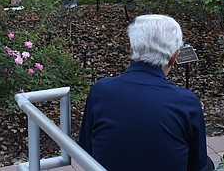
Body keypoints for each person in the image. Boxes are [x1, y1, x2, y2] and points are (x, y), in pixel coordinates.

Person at [79, 14, 213, 171]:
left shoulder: (100, 90)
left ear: (131, 47)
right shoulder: (186, 102)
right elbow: (198, 164)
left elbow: (86, 150)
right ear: (174, 57)